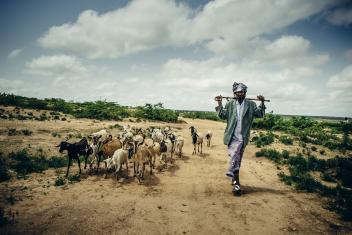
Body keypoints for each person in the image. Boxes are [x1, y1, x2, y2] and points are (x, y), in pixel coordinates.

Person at [215, 82, 265, 196]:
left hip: (242, 137)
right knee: (235, 158)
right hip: (231, 136)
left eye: (241, 92)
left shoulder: (251, 105)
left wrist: (262, 102)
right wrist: (219, 103)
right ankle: (234, 177)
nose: (239, 94)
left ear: (245, 93)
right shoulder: (230, 104)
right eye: (236, 92)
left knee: (236, 158)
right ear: (234, 93)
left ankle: (236, 183)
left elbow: (260, 114)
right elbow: (222, 115)